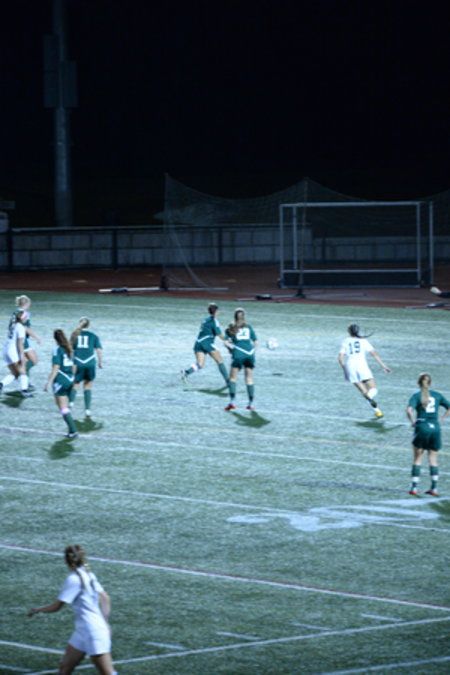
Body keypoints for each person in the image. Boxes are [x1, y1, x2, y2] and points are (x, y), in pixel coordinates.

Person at [28, 544, 118, 675]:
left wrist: (37, 610)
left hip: (93, 632)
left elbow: (57, 606)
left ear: (67, 560)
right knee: (64, 669)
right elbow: (105, 597)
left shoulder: (74, 579)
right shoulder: (89, 575)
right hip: (84, 631)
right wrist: (105, 622)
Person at [406, 373, 450, 496]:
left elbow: (409, 410)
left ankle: (414, 487)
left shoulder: (416, 396)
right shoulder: (437, 395)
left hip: (422, 427)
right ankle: (434, 488)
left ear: (418, 383)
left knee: (418, 458)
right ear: (430, 383)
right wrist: (442, 418)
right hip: (435, 427)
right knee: (433, 459)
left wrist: (413, 422)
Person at [338, 323, 391, 418]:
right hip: (361, 366)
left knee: (363, 391)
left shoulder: (345, 341)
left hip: (350, 366)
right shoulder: (363, 341)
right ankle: (370, 397)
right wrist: (383, 366)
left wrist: (345, 371)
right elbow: (374, 355)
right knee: (373, 389)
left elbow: (340, 357)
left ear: (349, 331)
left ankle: (377, 411)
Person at [181, 302, 229, 386]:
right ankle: (228, 381)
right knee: (220, 360)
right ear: (216, 311)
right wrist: (228, 338)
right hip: (207, 343)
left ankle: (186, 372)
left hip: (198, 343)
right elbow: (219, 335)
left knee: (200, 364)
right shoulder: (214, 321)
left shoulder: (205, 319)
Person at [44, 329, 78, 438]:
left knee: (62, 407)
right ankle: (71, 426)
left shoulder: (57, 349)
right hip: (71, 378)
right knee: (65, 405)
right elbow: (74, 366)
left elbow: (56, 367)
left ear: (55, 338)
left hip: (61, 379)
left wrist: (48, 383)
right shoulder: (70, 349)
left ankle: (73, 430)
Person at [224, 307, 257, 411]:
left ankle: (232, 402)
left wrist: (230, 349)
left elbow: (226, 342)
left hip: (238, 353)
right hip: (250, 353)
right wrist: (252, 352)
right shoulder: (249, 327)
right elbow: (255, 342)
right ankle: (251, 404)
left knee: (233, 378)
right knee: (249, 378)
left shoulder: (231, 328)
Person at [69, 317, 103, 417]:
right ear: (89, 325)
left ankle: (70, 404)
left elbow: (70, 350)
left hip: (78, 362)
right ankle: (87, 409)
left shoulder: (74, 335)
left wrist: (70, 362)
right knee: (88, 385)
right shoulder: (93, 336)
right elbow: (99, 350)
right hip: (90, 363)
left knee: (75, 384)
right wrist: (100, 362)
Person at [0, 308, 32, 397]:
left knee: (16, 373)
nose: (26, 318)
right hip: (12, 351)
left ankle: (1, 384)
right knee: (23, 371)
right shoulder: (20, 327)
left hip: (5, 350)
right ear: (22, 318)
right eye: (25, 317)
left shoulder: (13, 325)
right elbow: (20, 344)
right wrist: (22, 357)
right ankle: (24, 390)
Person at [15, 294, 42, 388]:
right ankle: (21, 377)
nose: (30, 305)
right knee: (34, 361)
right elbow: (25, 328)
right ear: (25, 303)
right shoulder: (24, 314)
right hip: (22, 340)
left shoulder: (16, 312)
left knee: (26, 360)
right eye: (29, 303)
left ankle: (25, 381)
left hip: (18, 339)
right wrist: (36, 337)